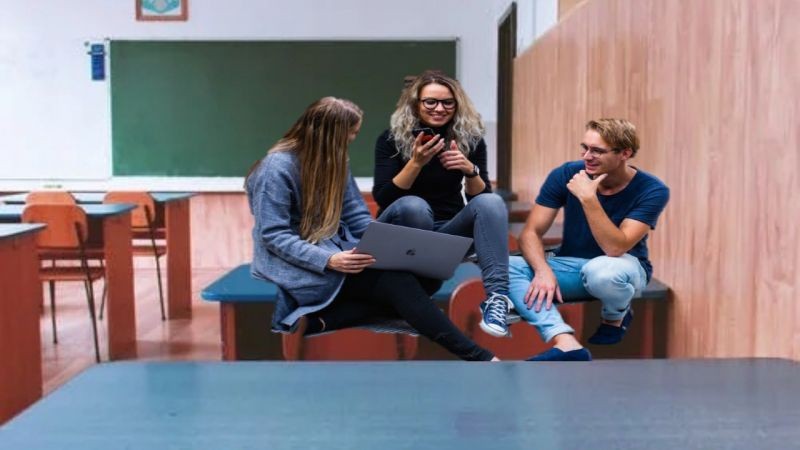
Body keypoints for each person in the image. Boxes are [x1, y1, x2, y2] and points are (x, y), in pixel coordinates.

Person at [245, 96, 496, 361]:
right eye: (351, 133)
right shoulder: (276, 169)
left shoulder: (335, 161)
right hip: (300, 262)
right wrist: (329, 260)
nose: (352, 139)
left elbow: (356, 217)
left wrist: (384, 247)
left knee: (427, 277)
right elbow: (273, 235)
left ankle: (323, 320)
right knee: (399, 284)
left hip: (337, 251)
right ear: (329, 134)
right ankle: (479, 356)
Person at [509, 118, 669, 361]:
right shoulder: (566, 174)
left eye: (597, 151)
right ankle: (565, 342)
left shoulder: (652, 190)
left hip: (623, 268)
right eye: (584, 148)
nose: (587, 156)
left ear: (625, 153)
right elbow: (530, 233)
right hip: (572, 265)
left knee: (602, 272)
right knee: (504, 266)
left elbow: (615, 248)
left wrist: (588, 198)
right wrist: (542, 271)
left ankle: (615, 315)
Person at [372, 70, 514, 338]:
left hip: (446, 235)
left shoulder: (469, 140)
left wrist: (469, 170)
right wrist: (416, 163)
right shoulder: (390, 140)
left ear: (457, 105)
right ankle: (413, 297)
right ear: (416, 104)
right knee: (414, 206)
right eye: (431, 102)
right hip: (401, 234)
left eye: (447, 102)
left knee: (492, 202)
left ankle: (497, 299)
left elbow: (480, 201)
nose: (439, 109)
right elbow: (384, 197)